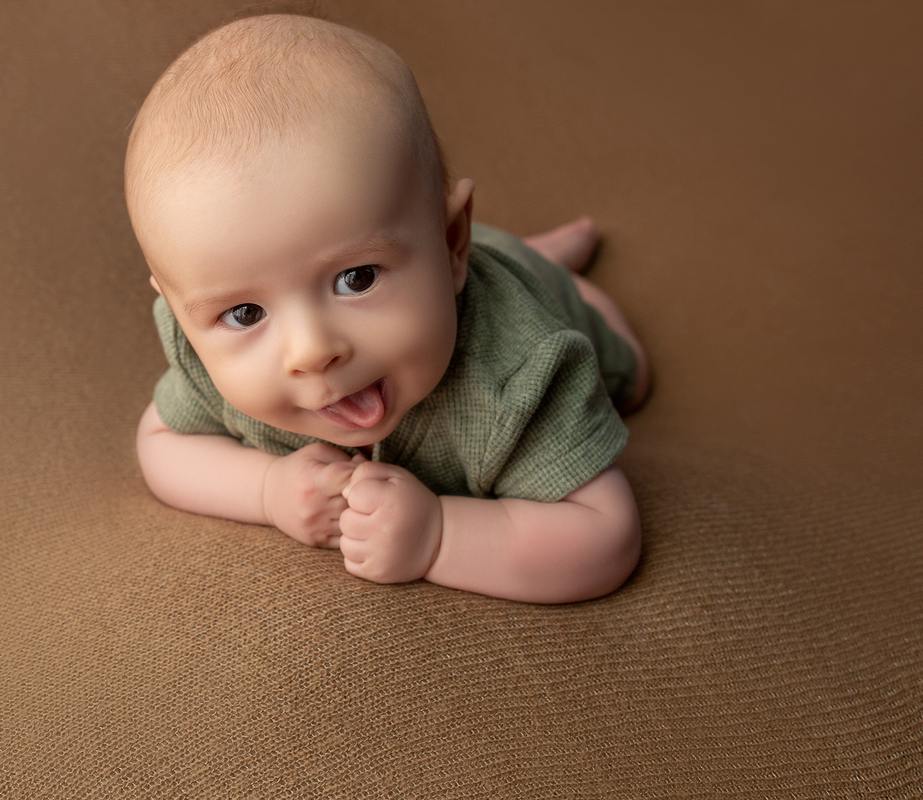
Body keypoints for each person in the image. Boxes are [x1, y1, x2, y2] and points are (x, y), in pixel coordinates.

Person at [125, 13, 651, 603]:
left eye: (356, 278)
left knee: (633, 377)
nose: (313, 350)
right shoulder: (202, 354)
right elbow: (161, 444)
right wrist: (266, 489)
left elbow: (606, 535)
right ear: (177, 309)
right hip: (453, 253)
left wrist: (438, 536)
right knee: (493, 251)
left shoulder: (523, 370)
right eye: (246, 314)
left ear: (453, 243)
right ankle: (515, 249)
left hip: (534, 292)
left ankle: (563, 277)